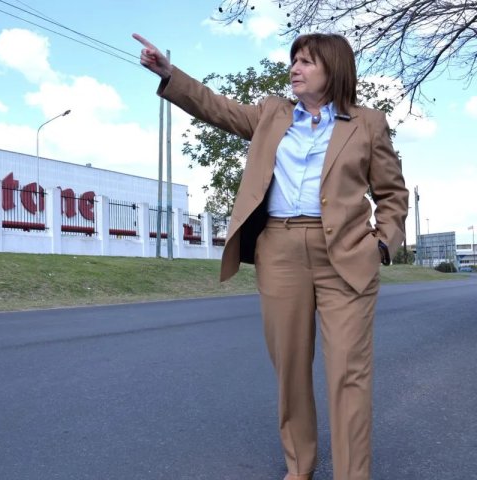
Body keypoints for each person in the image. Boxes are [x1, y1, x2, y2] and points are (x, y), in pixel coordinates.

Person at [133, 32, 409, 480]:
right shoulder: (271, 113)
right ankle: (299, 468)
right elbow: (216, 107)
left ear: (333, 69)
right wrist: (170, 75)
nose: (294, 69)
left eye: (305, 62)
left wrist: (381, 243)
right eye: (293, 60)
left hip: (346, 253)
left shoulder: (368, 123)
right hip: (279, 249)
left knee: (348, 373)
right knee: (291, 371)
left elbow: (393, 194)